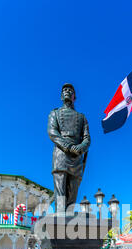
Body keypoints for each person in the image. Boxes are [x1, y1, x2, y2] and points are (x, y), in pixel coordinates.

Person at [47, 84, 91, 213]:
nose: (67, 91)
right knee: (60, 192)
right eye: (64, 90)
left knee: (73, 194)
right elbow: (52, 132)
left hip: (76, 156)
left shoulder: (82, 117)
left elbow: (87, 138)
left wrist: (80, 147)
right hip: (61, 154)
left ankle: (69, 220)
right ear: (61, 96)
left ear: (74, 97)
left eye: (70, 90)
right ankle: (59, 221)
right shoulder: (54, 113)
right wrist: (67, 146)